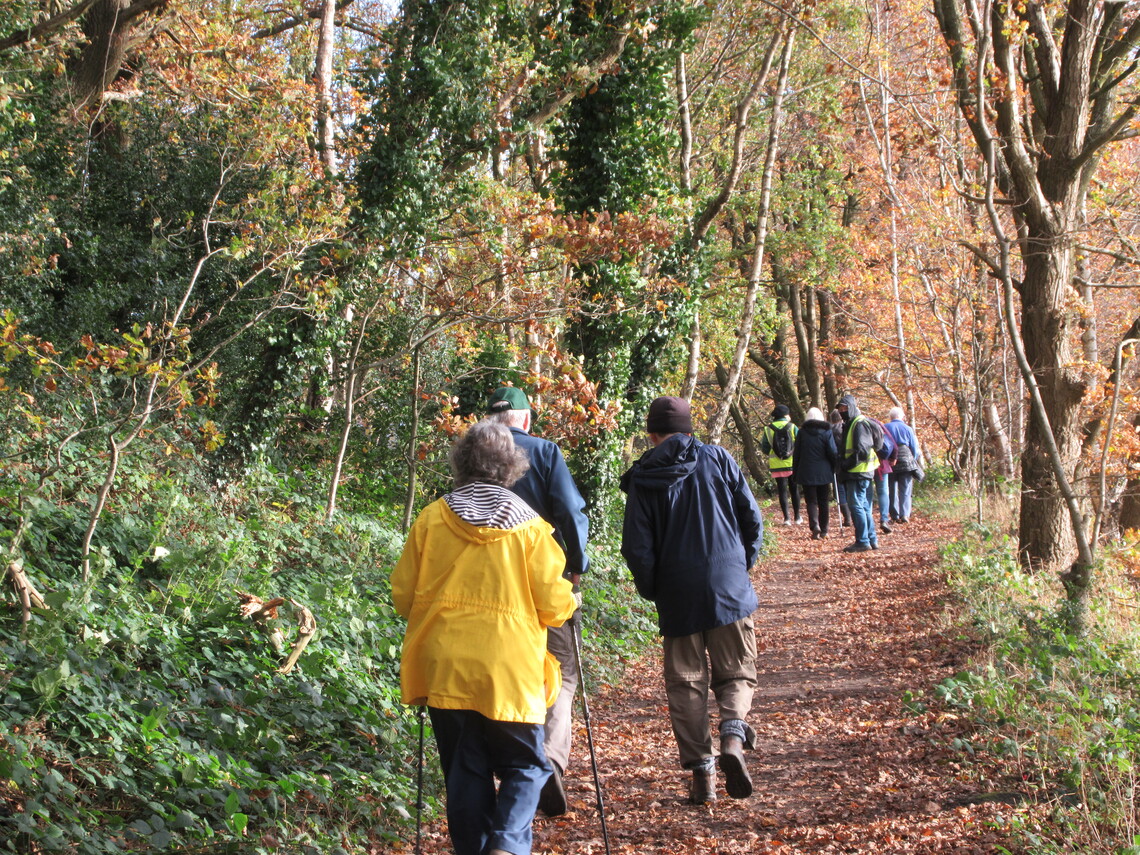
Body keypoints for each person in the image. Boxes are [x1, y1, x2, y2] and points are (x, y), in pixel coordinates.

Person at [391, 419, 576, 855]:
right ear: (512, 467)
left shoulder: (433, 517)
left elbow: (403, 596)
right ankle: (507, 845)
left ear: (461, 462)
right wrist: (573, 601)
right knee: (528, 764)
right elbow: (553, 606)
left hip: (444, 667)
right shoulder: (530, 528)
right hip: (507, 670)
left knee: (465, 769)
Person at [620, 396, 763, 805]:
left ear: (652, 435)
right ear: (689, 430)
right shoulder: (718, 459)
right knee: (737, 670)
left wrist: (653, 588)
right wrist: (740, 566)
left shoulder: (644, 477)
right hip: (727, 585)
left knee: (686, 684)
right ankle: (733, 736)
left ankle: (703, 775)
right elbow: (751, 518)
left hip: (677, 593)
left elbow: (637, 548)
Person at [486, 385, 590, 817]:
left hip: (488, 586)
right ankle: (547, 755)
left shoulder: (477, 456)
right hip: (542, 580)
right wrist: (577, 561)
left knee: (505, 672)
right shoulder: (545, 453)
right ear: (526, 419)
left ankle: (510, 762)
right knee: (561, 672)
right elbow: (569, 509)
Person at [837, 394, 883, 553]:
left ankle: (863, 541)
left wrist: (845, 465)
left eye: (844, 408)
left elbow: (861, 451)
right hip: (862, 472)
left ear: (851, 407)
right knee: (863, 507)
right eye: (840, 409)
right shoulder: (853, 423)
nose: (842, 411)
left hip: (857, 472)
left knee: (857, 507)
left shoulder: (858, 424)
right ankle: (871, 539)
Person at [793, 407, 839, 540]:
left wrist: (795, 471)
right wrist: (835, 465)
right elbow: (832, 451)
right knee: (824, 501)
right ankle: (824, 529)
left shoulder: (802, 433)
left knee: (811, 501)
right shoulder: (827, 432)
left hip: (806, 471)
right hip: (824, 471)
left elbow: (797, 454)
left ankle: (814, 526)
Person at [760, 404, 800, 525]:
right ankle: (797, 517)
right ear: (786, 415)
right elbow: (799, 443)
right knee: (794, 489)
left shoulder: (768, 429)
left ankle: (786, 518)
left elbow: (765, 447)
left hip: (776, 464)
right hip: (792, 463)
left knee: (782, 491)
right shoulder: (792, 427)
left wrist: (774, 453)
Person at [884, 407, 921, 523]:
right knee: (905, 488)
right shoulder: (908, 428)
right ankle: (905, 514)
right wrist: (913, 459)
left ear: (890, 417)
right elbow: (914, 447)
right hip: (906, 459)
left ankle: (894, 514)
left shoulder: (885, 427)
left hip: (891, 460)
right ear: (902, 417)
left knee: (891, 488)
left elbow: (883, 445)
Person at [872, 416, 897, 535]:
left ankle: (868, 521)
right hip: (882, 464)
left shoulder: (860, 426)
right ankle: (884, 519)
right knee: (883, 492)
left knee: (867, 493)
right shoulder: (879, 425)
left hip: (866, 465)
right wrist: (893, 458)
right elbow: (893, 443)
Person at [829, 408, 852, 530]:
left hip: (836, 464)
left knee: (840, 490)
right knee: (850, 488)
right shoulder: (847, 428)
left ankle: (847, 516)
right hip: (848, 462)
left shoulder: (830, 431)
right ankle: (853, 514)